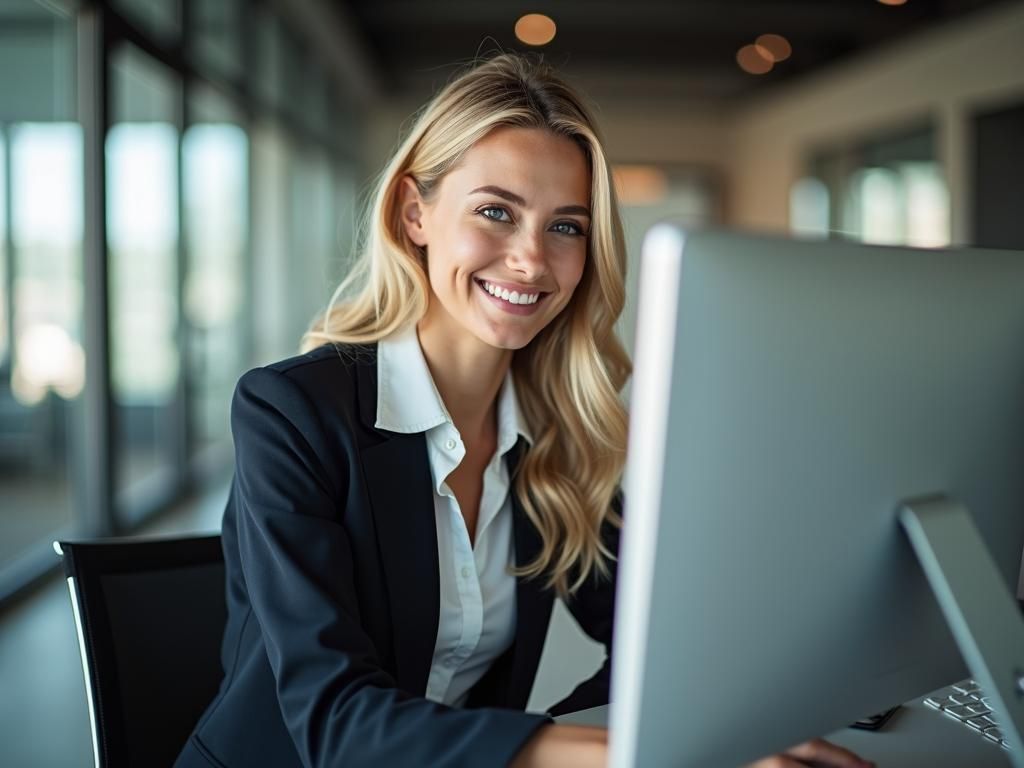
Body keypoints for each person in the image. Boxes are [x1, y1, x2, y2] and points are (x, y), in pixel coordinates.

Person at [175, 53, 873, 768]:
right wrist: (636, 756)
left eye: (566, 227)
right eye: (496, 212)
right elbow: (336, 723)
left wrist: (681, 732)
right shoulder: (293, 413)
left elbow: (662, 642)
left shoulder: (552, 436)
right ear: (416, 213)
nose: (532, 261)